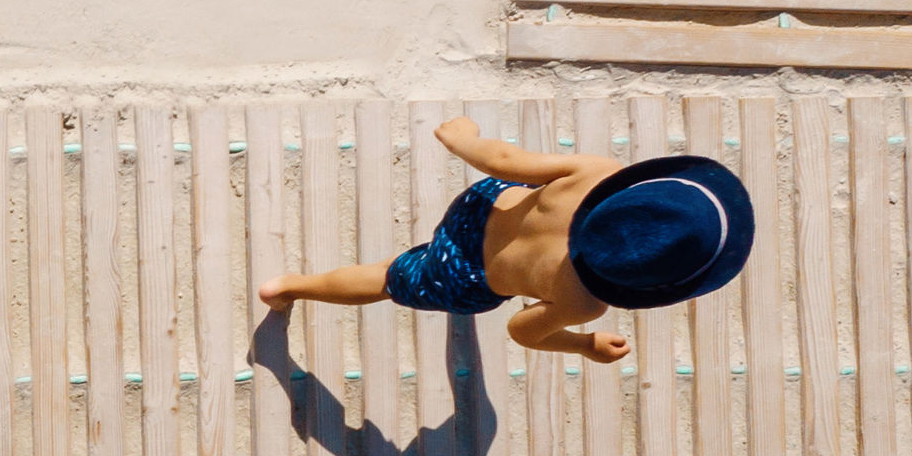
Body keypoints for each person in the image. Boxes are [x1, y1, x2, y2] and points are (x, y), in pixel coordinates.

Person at [258, 116, 752, 363]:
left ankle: (293, 286)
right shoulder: (582, 301)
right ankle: (290, 288)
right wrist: (583, 346)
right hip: (464, 274)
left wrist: (462, 139)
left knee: (502, 185)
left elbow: (507, 163)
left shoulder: (596, 171)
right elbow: (522, 331)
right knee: (387, 277)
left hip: (482, 206)